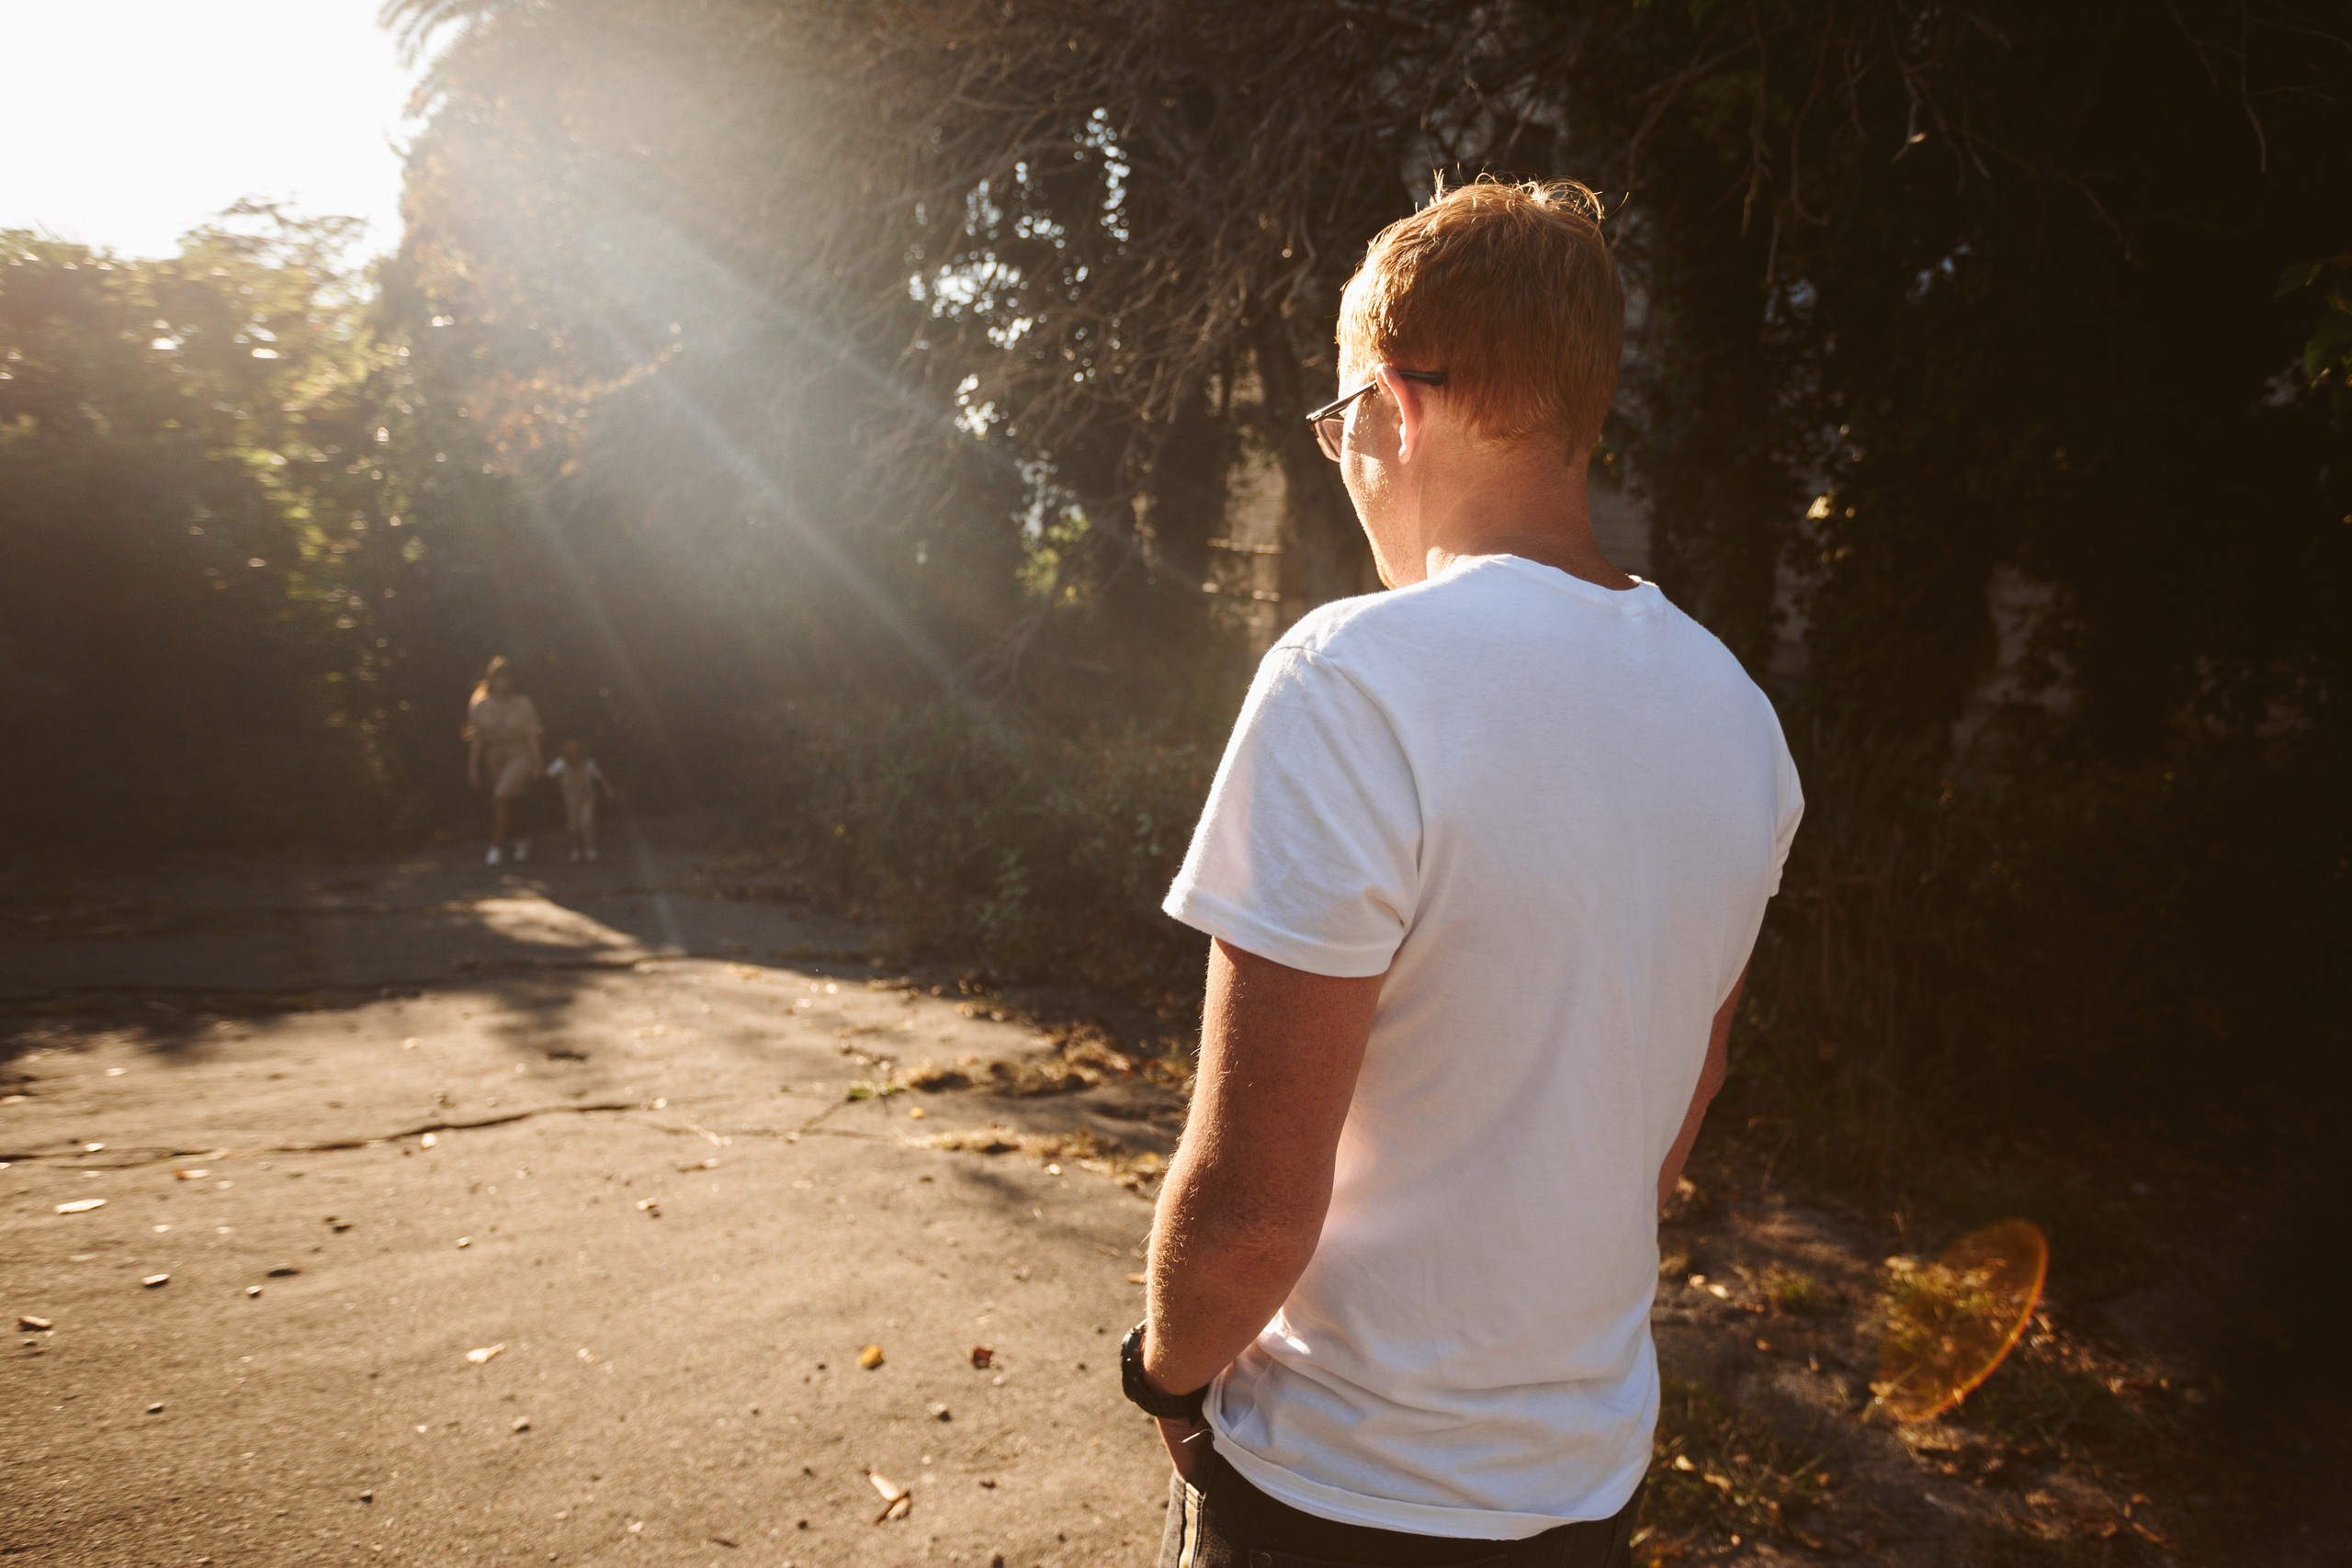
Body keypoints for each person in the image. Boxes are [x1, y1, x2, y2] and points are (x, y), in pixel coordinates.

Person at [1125, 180, 1804, 1568]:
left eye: (1335, 428)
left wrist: (1165, 1370)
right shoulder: (1741, 717)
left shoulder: (1352, 677)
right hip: (1584, 1486)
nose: (1344, 458)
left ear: (1391, 400)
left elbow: (1253, 1209)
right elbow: (1678, 1115)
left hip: (1338, 1487)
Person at [463, 656, 544, 866]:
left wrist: (538, 762)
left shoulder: (522, 704)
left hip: (519, 755)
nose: (503, 683)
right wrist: (473, 768)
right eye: (498, 678)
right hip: (494, 757)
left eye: (506, 678)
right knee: (511, 802)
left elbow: (531, 735)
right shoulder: (480, 705)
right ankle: (522, 840)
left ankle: (495, 848)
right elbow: (477, 740)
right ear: (491, 680)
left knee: (502, 797)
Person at [546, 739, 616, 863]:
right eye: (570, 752)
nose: (574, 755)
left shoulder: (588, 764)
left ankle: (590, 848)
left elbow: (600, 777)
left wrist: (608, 790)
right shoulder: (560, 764)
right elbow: (548, 775)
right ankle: (576, 848)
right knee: (573, 827)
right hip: (570, 800)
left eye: (576, 752)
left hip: (586, 798)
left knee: (586, 822)